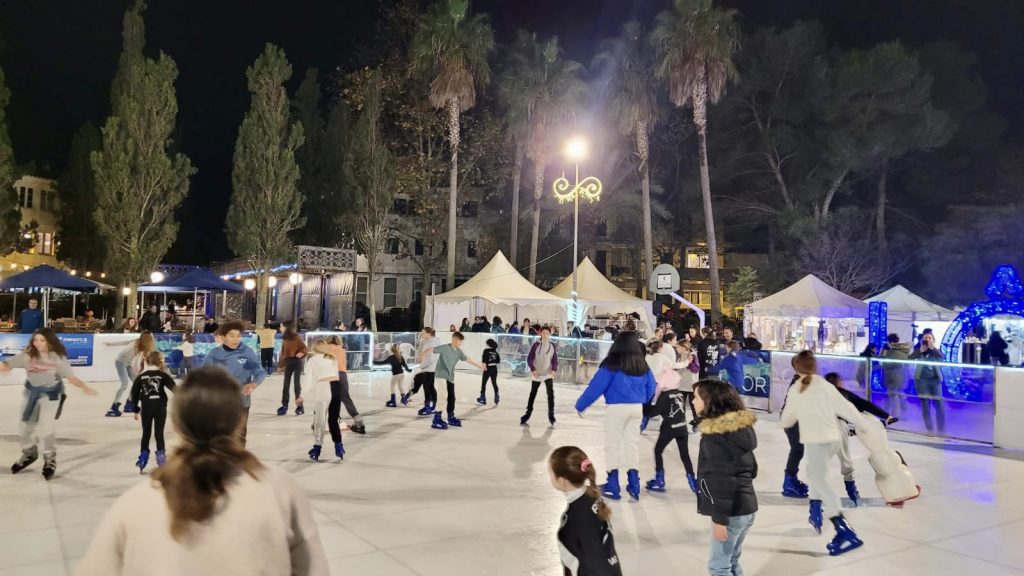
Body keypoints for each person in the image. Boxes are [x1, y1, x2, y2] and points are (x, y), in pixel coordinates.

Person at [75, 367, 328, 575]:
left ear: (175, 425)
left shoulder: (136, 502)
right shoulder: (279, 489)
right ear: (240, 421)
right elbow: (313, 569)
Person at [780, 350, 867, 556]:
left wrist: (795, 415)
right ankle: (816, 512)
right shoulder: (827, 386)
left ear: (796, 368)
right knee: (816, 476)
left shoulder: (798, 389)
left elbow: (786, 420)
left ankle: (844, 530)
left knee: (821, 482)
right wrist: (863, 424)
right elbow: (847, 408)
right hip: (833, 439)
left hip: (816, 442)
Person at [3, 328, 98, 480]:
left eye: (42, 340)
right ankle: (29, 453)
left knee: (46, 428)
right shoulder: (27, 356)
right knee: (24, 428)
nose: (38, 343)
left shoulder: (57, 358)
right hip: (31, 394)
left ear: (49, 341)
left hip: (51, 395)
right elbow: (7, 365)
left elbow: (71, 377)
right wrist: (4, 367)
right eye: (35, 340)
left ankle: (49, 458)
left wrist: (84, 387)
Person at [575, 331, 657, 501]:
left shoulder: (611, 363)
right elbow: (651, 387)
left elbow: (597, 386)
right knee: (631, 445)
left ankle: (613, 484)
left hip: (617, 408)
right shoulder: (642, 364)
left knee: (613, 444)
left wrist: (581, 404)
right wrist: (641, 399)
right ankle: (634, 483)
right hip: (636, 408)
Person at [691, 378, 758, 576]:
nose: (692, 402)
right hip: (746, 507)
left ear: (710, 400)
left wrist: (720, 518)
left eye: (696, 397)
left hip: (730, 512)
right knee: (732, 562)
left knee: (719, 568)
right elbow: (752, 469)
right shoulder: (738, 430)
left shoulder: (715, 437)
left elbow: (720, 478)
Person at [548, 446, 622, 576]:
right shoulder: (591, 495)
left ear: (561, 480)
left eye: (551, 473)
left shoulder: (575, 522)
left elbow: (592, 566)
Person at [643, 340, 697, 494]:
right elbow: (677, 366)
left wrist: (640, 408)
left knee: (658, 450)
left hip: (670, 428)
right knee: (684, 455)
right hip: (682, 428)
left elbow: (654, 412)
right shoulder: (679, 394)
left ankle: (659, 479)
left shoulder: (665, 396)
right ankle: (692, 480)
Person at [203, 322, 266, 446]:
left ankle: (238, 460)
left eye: (238, 335)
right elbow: (204, 375)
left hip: (242, 401)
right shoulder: (215, 354)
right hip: (220, 402)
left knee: (240, 435)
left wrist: (253, 384)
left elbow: (260, 373)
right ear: (223, 337)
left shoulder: (247, 352)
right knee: (221, 435)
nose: (236, 339)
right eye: (231, 335)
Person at [129, 351, 177, 473]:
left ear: (146, 361)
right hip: (160, 407)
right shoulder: (163, 375)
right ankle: (161, 457)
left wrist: (135, 409)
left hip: (147, 408)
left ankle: (143, 457)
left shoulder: (141, 377)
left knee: (146, 433)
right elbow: (176, 390)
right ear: (161, 362)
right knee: (159, 433)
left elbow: (134, 394)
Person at [429, 332, 487, 429]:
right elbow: (432, 349)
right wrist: (422, 355)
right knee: (443, 396)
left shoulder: (458, 351)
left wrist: (480, 366)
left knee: (452, 397)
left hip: (450, 376)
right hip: (441, 374)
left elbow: (468, 359)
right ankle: (436, 419)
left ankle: (450, 416)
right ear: (454, 339)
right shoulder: (444, 347)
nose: (460, 343)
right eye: (459, 341)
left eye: (461, 341)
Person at [305, 340, 345, 461]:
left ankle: (317, 448)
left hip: (323, 388)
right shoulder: (332, 358)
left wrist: (302, 394)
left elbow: (308, 380)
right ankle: (339, 446)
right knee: (333, 419)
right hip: (336, 387)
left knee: (320, 419)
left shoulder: (312, 360)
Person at [324, 335, 366, 434]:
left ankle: (324, 422)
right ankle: (359, 423)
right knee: (346, 399)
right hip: (342, 375)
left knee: (328, 398)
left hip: (331, 374)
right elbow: (344, 363)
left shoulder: (326, 350)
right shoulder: (342, 350)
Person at [106, 332, 155, 417]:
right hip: (120, 362)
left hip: (128, 363)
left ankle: (130, 404)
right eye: (151, 338)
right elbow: (137, 360)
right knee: (124, 384)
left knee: (136, 383)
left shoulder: (140, 344)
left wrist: (111, 344)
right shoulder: (137, 344)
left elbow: (140, 360)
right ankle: (113, 406)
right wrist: (111, 344)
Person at [521, 326, 559, 426]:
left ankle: (551, 415)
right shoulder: (536, 345)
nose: (545, 335)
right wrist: (533, 369)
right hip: (537, 373)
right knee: (532, 394)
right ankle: (527, 414)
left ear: (549, 334)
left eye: (547, 333)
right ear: (540, 334)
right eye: (543, 333)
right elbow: (529, 359)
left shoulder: (552, 346)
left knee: (550, 394)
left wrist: (554, 370)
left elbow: (555, 360)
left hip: (548, 374)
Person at [909, 332, 945, 434]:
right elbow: (910, 358)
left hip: (935, 380)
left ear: (933, 340)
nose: (927, 340)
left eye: (929, 338)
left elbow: (942, 358)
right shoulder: (919, 351)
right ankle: (929, 430)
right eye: (925, 338)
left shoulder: (936, 351)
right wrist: (919, 351)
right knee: (925, 404)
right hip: (921, 380)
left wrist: (933, 348)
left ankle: (941, 430)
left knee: (939, 404)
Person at [277, 323, 307, 416]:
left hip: (296, 361)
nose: (280, 328)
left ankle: (300, 406)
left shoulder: (296, 337)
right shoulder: (285, 338)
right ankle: (284, 405)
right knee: (286, 385)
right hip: (288, 361)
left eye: (281, 326)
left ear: (286, 327)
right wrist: (281, 365)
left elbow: (304, 348)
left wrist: (302, 353)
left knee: (296, 385)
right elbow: (283, 352)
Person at [411, 327, 442, 416]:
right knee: (430, 386)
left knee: (427, 387)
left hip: (429, 368)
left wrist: (422, 365)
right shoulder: (429, 342)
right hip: (430, 368)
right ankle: (433, 405)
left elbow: (431, 358)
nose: (422, 334)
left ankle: (428, 406)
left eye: (423, 333)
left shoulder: (431, 343)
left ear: (429, 334)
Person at [881, 333, 910, 418]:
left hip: (892, 377)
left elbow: (885, 364)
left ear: (891, 342)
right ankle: (904, 415)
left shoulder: (892, 352)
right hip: (902, 377)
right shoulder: (904, 351)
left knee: (893, 396)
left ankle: (893, 415)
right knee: (900, 395)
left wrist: (883, 353)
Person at [477, 338, 501, 406]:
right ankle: (497, 397)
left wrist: (484, 367)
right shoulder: (496, 352)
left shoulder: (486, 351)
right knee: (494, 383)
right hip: (494, 369)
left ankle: (482, 398)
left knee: (484, 383)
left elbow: (484, 361)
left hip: (487, 369)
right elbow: (498, 361)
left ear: (488, 344)